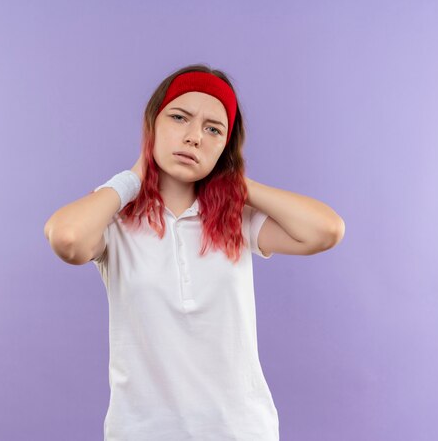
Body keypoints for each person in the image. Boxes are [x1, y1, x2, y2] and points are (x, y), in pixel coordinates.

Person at [44, 64, 345, 440]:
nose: (194, 137)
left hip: (239, 430)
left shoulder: (236, 220)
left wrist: (233, 180)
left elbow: (326, 230)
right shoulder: (114, 219)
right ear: (153, 124)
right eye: (179, 118)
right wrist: (134, 177)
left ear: (224, 146)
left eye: (213, 129)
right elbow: (66, 237)